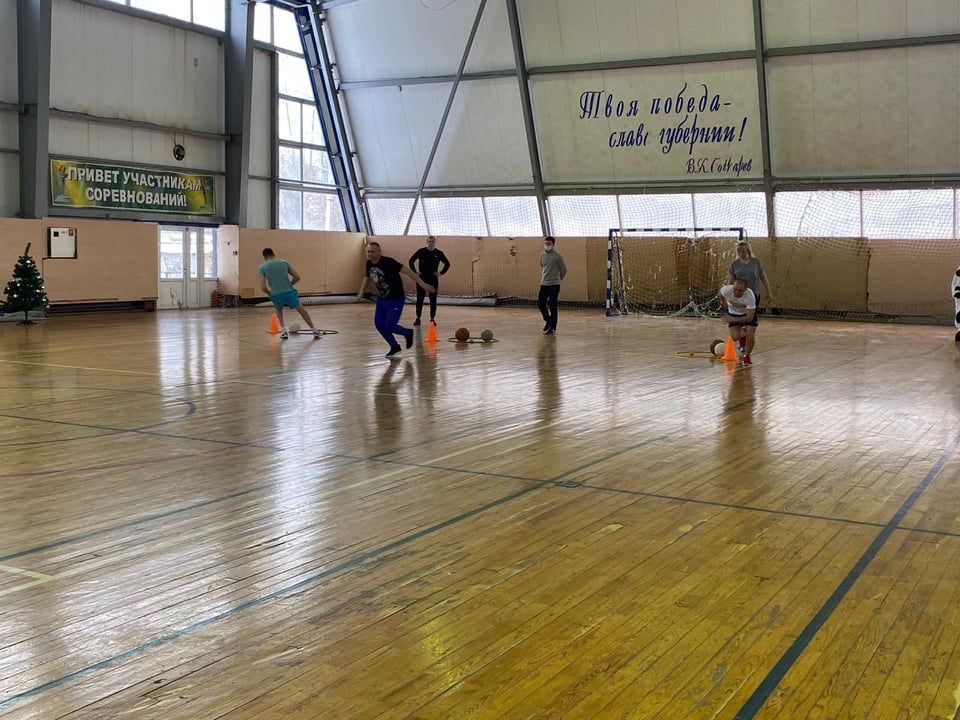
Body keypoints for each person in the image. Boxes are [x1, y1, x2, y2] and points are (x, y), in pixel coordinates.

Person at [358, 241, 435, 358]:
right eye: (368, 252)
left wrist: (424, 285)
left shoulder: (389, 262)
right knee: (379, 324)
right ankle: (394, 347)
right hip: (381, 299)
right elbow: (366, 277)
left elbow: (409, 272)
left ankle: (408, 333)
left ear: (379, 252)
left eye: (372, 252)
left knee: (389, 325)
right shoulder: (368, 263)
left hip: (395, 299)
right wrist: (361, 292)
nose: (370, 254)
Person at [258, 248, 321, 339]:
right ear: (274, 254)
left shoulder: (262, 267)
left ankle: (284, 332)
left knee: (279, 310)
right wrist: (290, 284)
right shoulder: (284, 262)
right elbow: (297, 277)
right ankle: (314, 330)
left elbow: (263, 287)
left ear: (264, 257)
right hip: (289, 291)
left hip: (276, 294)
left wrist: (269, 293)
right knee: (301, 309)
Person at [408, 235, 450, 327]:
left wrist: (441, 273)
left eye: (432, 241)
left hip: (433, 279)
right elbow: (411, 261)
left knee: (433, 300)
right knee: (420, 299)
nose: (431, 243)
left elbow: (447, 264)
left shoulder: (439, 253)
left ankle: (432, 319)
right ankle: (418, 318)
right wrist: (415, 272)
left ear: (435, 242)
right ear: (427, 242)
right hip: (421, 279)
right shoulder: (421, 251)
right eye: (429, 241)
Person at [720, 277, 757, 366]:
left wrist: (731, 319)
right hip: (733, 313)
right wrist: (724, 305)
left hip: (747, 314)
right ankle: (742, 334)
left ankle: (747, 356)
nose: (737, 292)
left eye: (740, 290)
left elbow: (750, 317)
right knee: (735, 337)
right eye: (735, 289)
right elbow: (721, 294)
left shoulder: (750, 296)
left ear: (745, 290)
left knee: (751, 335)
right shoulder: (726, 290)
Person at [538, 236, 566, 335]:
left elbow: (563, 269)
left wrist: (558, 279)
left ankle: (553, 327)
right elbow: (542, 266)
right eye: (546, 243)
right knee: (540, 303)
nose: (547, 245)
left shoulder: (558, 256)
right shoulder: (542, 255)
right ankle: (548, 320)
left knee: (552, 305)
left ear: (553, 244)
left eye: (549, 244)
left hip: (554, 284)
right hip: (544, 283)